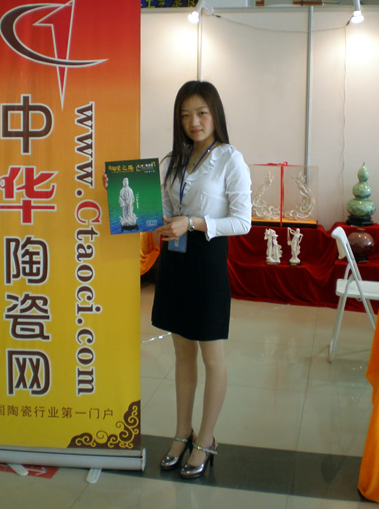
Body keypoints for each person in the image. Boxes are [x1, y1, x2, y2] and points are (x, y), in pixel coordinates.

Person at [151, 80, 251, 479]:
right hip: (175, 261)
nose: (194, 122)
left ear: (215, 115)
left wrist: (192, 222)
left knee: (212, 355)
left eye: (202, 113)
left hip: (207, 262)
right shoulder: (172, 161)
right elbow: (162, 212)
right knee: (182, 354)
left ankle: (206, 439)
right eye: (186, 115)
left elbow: (242, 222)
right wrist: (129, 195)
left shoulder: (229, 159)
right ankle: (182, 433)